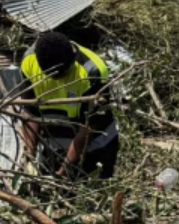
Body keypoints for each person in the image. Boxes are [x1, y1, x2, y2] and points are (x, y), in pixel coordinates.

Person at [20, 31, 118, 179]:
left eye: (62, 74)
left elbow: (89, 127)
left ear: (72, 59)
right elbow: (30, 112)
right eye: (50, 75)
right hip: (54, 144)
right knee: (47, 193)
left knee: (91, 193)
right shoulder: (30, 62)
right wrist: (30, 158)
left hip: (94, 146)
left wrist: (63, 170)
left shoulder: (92, 70)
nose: (56, 79)